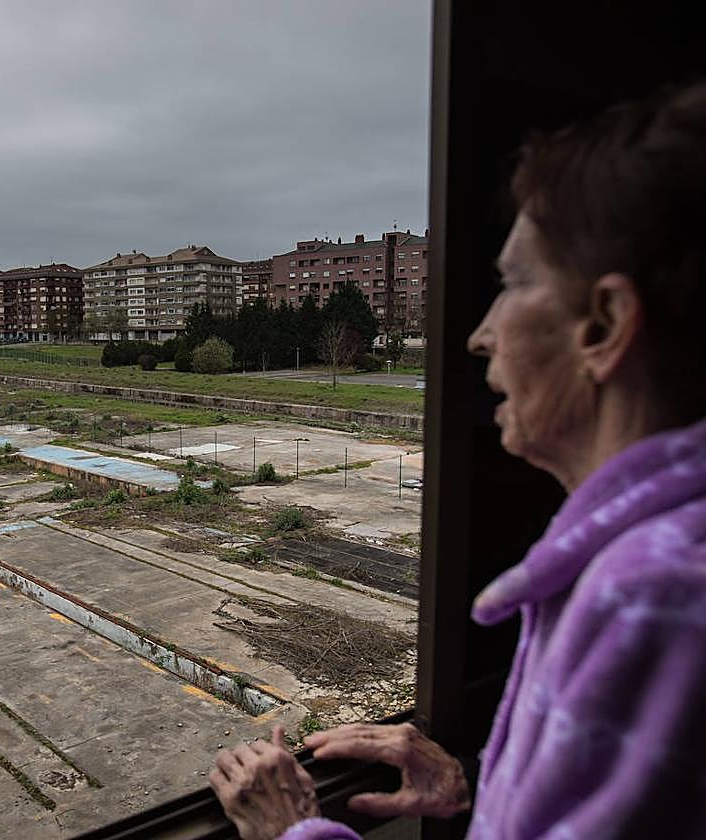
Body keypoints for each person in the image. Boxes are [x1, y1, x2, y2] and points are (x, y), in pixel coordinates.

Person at [210, 81, 706, 838]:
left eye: (512, 284)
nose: (479, 336)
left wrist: (294, 830)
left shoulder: (653, 600)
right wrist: (482, 793)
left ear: (603, 324)